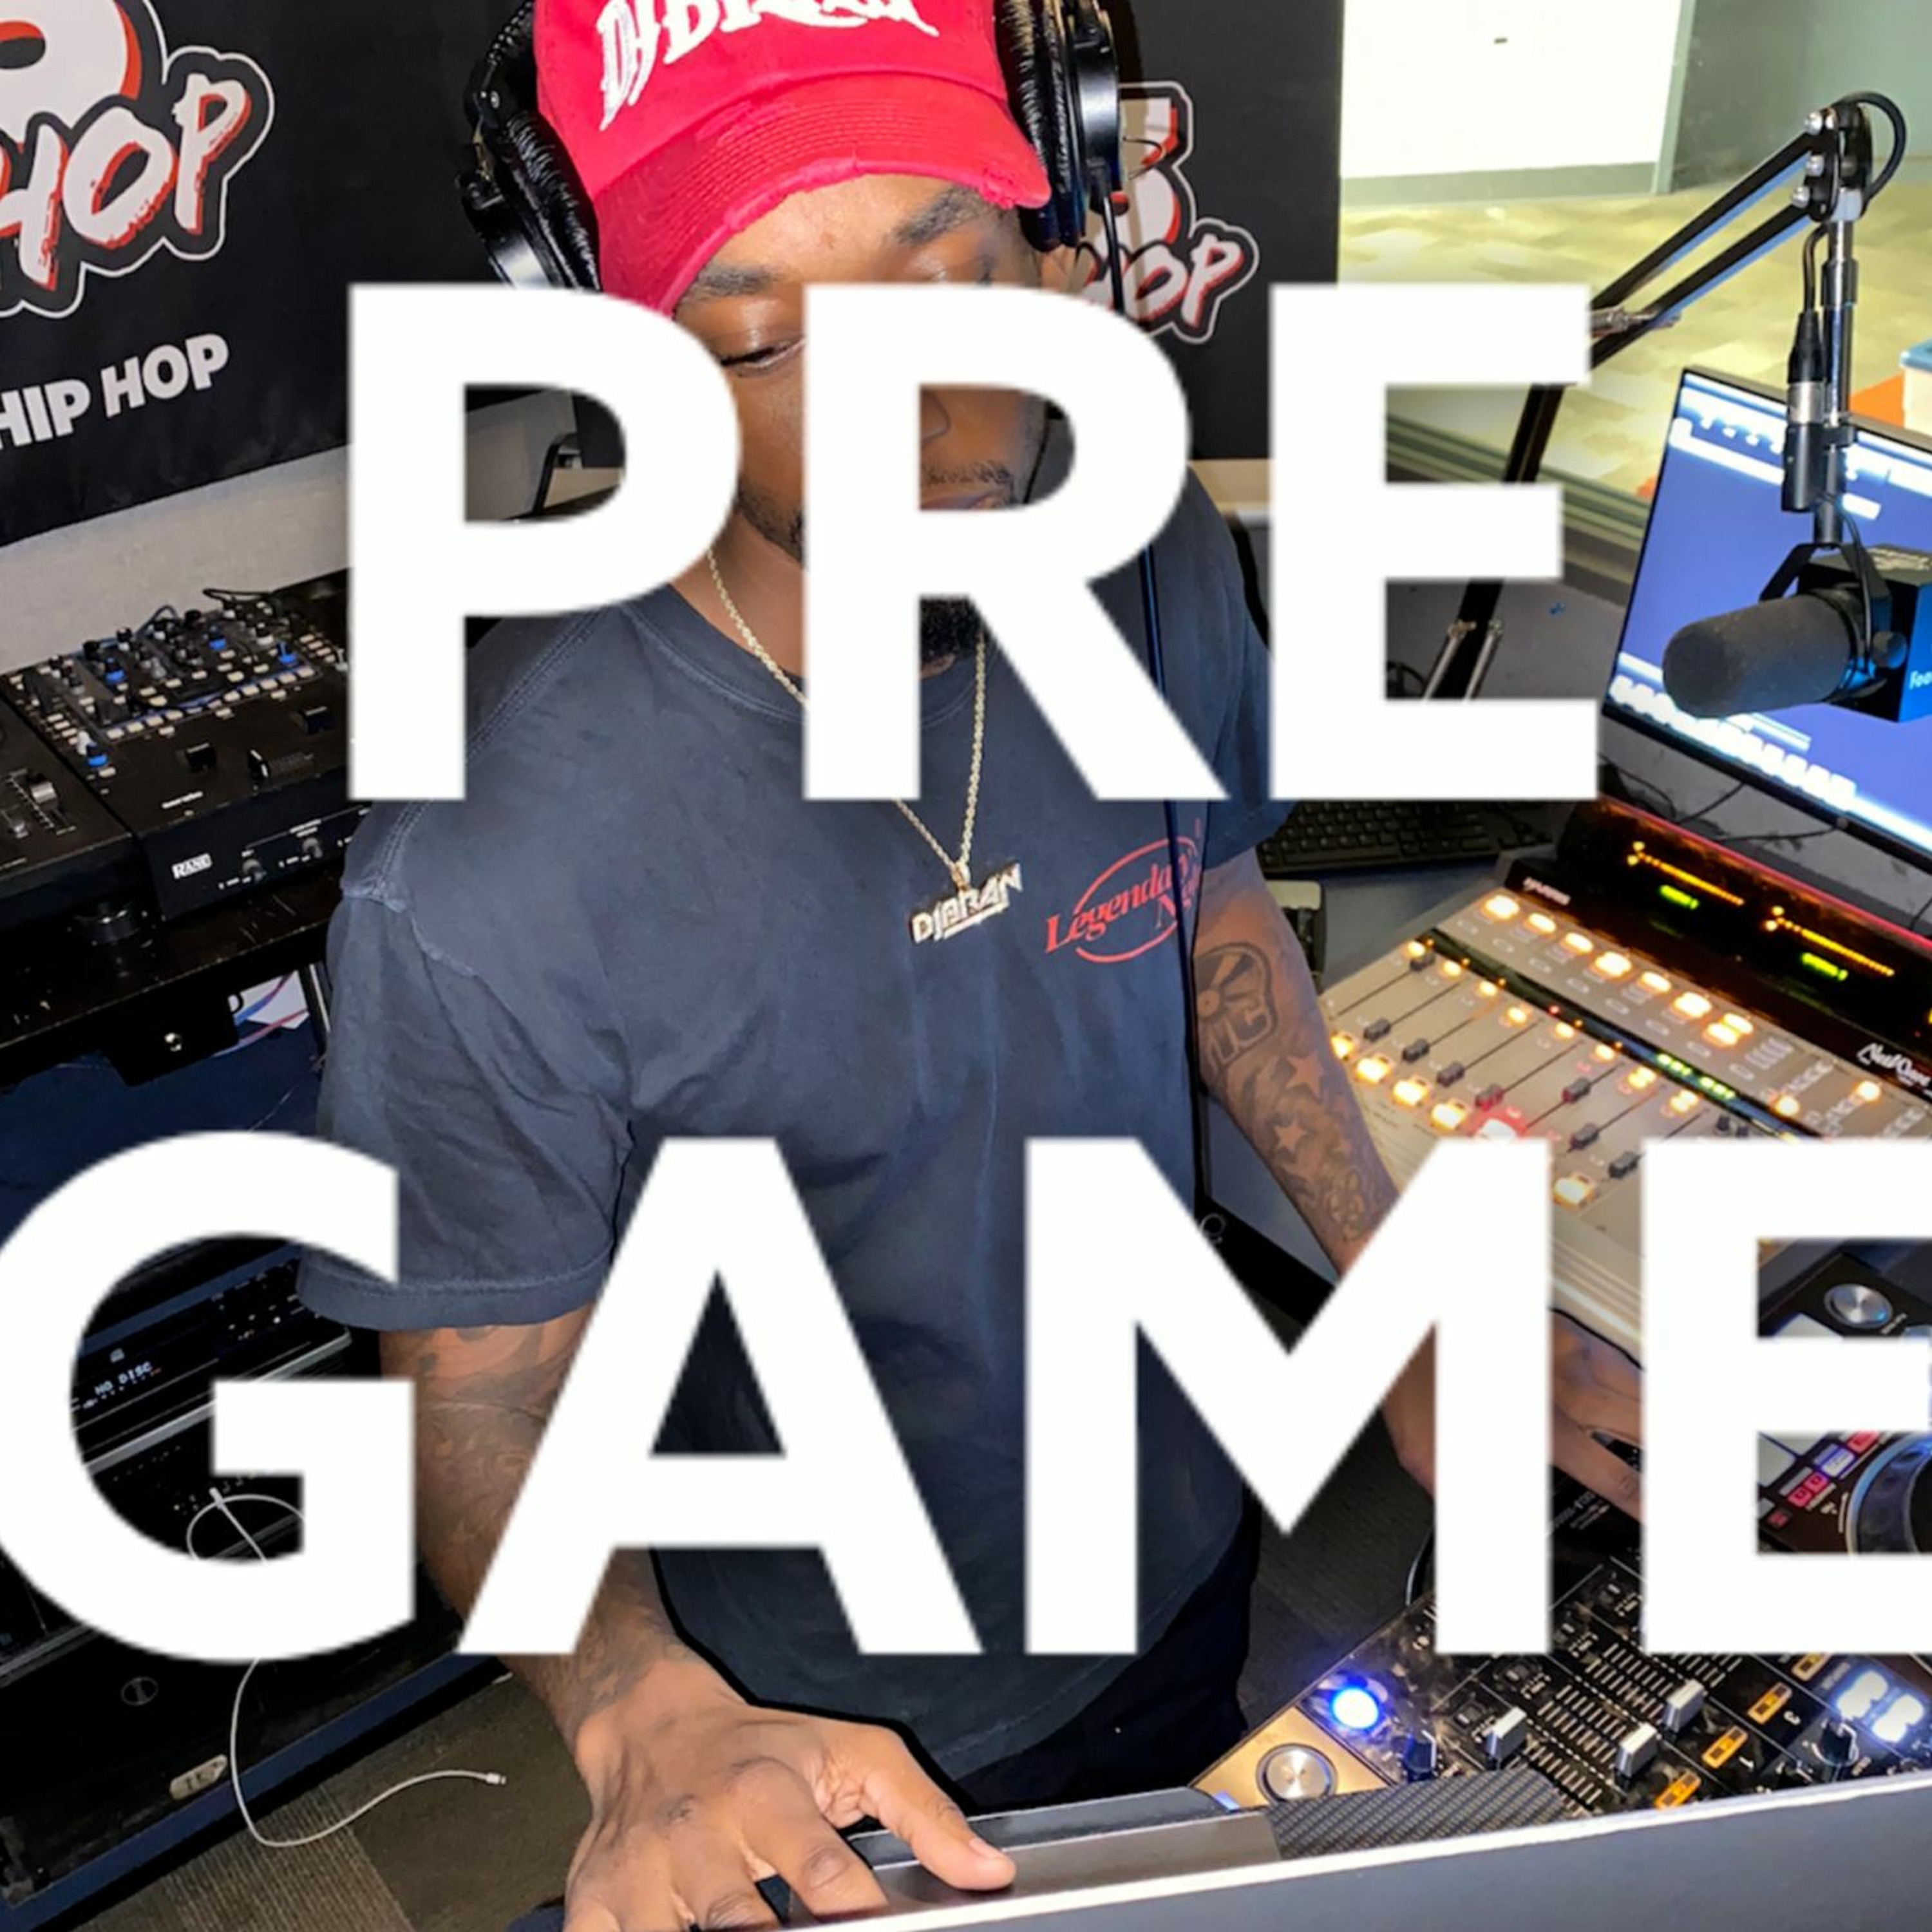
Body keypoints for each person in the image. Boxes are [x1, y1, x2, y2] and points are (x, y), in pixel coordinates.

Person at [298, 3, 1643, 1927]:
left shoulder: (1149, 544)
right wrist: (629, 1702)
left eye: (948, 277)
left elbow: (1214, 912)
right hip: (820, 1725)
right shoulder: (483, 869)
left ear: (1055, 241)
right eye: (765, 339)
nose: (918, 418)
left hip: (1180, 1561)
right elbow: (474, 1395)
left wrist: (1399, 1293)